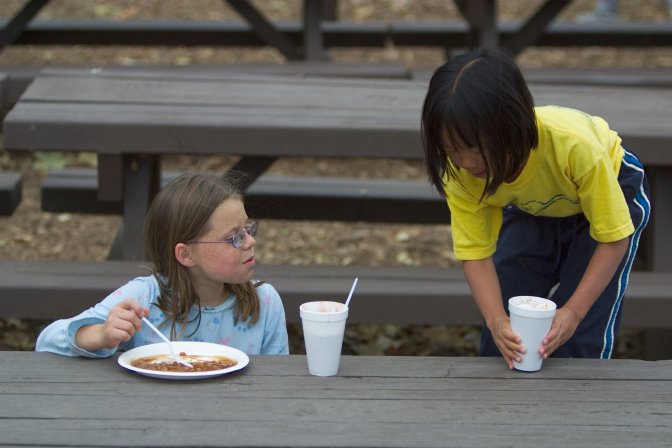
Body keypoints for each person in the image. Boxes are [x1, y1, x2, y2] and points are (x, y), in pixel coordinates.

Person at [421, 47, 650, 369]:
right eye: (450, 149)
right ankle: (505, 414)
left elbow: (613, 239)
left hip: (608, 193)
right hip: (533, 207)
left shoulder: (575, 148)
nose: (465, 161)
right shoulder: (462, 170)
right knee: (506, 333)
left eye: (475, 148)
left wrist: (572, 312)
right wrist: (495, 318)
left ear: (512, 126)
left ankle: (582, 411)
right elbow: (475, 253)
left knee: (579, 334)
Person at [36, 172, 289, 357]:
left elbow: (276, 383)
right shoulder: (145, 298)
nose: (250, 241)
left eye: (247, 228)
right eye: (234, 237)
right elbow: (46, 342)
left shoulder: (264, 302)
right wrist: (101, 335)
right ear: (186, 255)